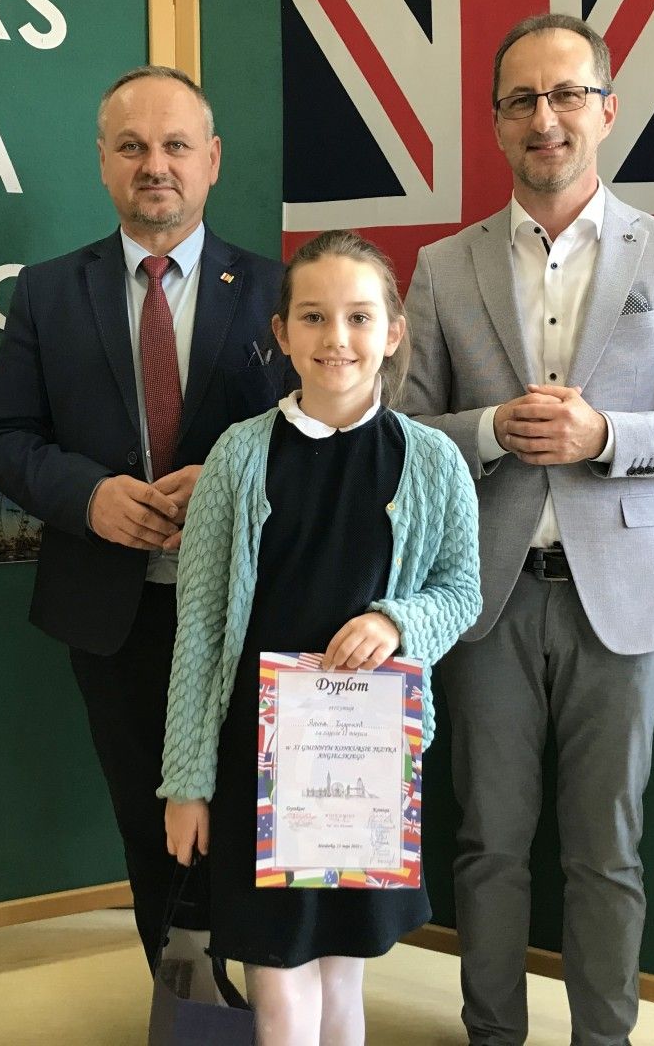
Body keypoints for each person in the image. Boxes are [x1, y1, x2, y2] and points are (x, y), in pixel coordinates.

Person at [400, 13, 654, 1046]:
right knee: (488, 845)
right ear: (496, 122)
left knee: (607, 853)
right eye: (521, 100)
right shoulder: (442, 266)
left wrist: (608, 435)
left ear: (606, 110)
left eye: (566, 95)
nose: (544, 117)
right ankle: (493, 1036)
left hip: (623, 603)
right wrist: (487, 429)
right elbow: (402, 431)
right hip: (485, 599)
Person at [0, 66, 288, 977]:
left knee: (257, 818)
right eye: (133, 146)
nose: (156, 165)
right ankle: (187, 1011)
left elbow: (329, 433)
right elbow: (0, 437)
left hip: (253, 607)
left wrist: (233, 477)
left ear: (212, 159)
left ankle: (270, 1012)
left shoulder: (280, 288)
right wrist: (89, 497)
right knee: (153, 827)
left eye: (176, 145)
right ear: (104, 163)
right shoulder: (47, 292)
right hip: (115, 612)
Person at [161, 230, 482, 1045]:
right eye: (313, 317)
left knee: (343, 973)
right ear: (282, 333)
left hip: (366, 767)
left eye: (359, 317)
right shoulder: (237, 457)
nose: (337, 338)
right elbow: (199, 626)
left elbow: (461, 592)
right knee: (277, 983)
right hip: (259, 766)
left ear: (394, 332)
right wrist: (187, 783)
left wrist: (396, 621)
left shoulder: (433, 462)